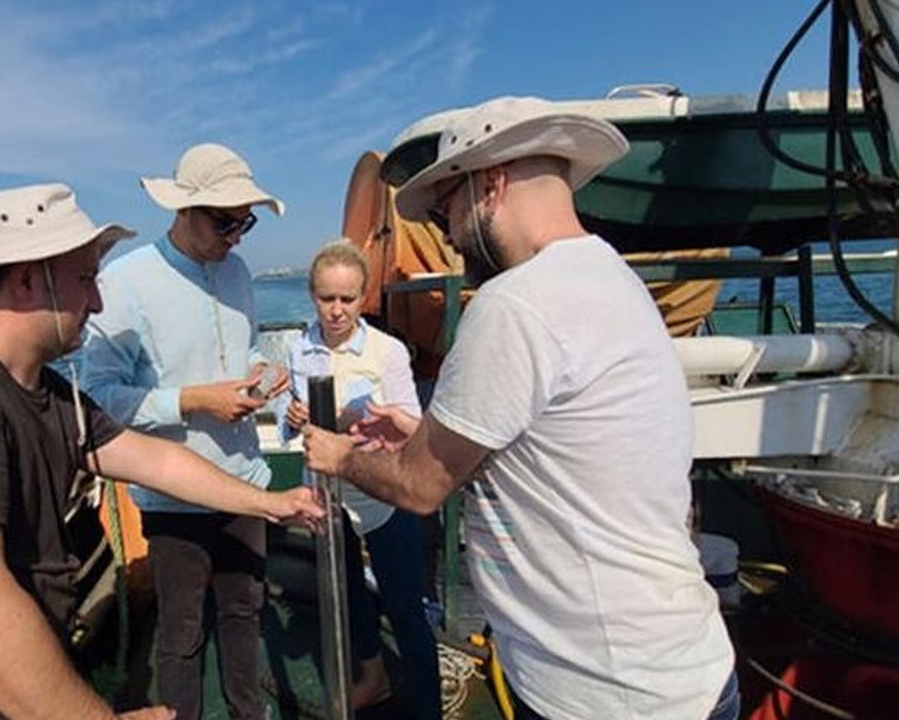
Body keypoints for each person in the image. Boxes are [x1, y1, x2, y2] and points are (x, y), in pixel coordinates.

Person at [0, 182, 322, 720]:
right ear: (29, 279)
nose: (99, 301)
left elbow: (155, 460)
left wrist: (271, 503)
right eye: (85, 280)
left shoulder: (53, 400)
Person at [302, 97, 739, 720]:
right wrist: (418, 428)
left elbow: (421, 486)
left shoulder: (516, 303)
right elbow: (551, 444)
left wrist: (339, 454)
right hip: (681, 670)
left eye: (447, 207)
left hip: (600, 692)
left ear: (491, 183)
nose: (447, 234)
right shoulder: (610, 278)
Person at [75, 144, 287, 720]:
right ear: (182, 211)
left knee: (245, 615)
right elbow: (99, 399)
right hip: (174, 498)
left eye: (245, 220)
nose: (238, 234)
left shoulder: (237, 271)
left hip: (245, 481)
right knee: (182, 633)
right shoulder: (124, 284)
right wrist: (195, 400)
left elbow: (243, 351)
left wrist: (263, 376)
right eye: (226, 220)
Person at [277, 240, 441, 720]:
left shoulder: (386, 351)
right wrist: (291, 416)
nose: (337, 310)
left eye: (347, 299)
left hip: (380, 497)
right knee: (347, 596)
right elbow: (292, 429)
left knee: (406, 606)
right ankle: (373, 675)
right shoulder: (297, 348)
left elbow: (410, 420)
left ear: (363, 296)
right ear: (312, 295)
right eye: (327, 298)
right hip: (328, 499)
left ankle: (427, 705)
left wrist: (355, 424)